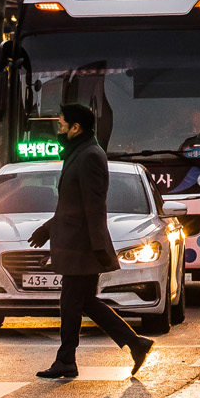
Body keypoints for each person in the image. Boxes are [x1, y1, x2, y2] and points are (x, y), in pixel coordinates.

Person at [33, 104, 153, 379]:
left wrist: (98, 248)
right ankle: (135, 343)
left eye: (63, 125)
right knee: (83, 302)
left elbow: (94, 206)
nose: (59, 130)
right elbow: (71, 205)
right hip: (77, 245)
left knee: (73, 302)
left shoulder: (89, 157)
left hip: (82, 247)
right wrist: (48, 228)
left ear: (76, 128)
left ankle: (66, 360)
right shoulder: (79, 153)